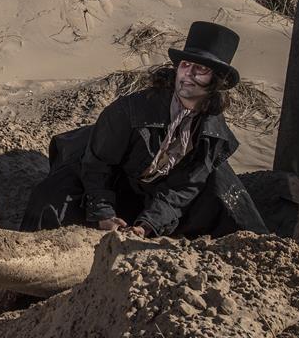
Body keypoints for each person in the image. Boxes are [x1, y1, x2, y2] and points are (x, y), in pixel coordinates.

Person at [21, 21, 267, 238]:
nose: (188, 75)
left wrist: (148, 225)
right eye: (185, 65)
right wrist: (104, 214)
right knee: (50, 199)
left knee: (226, 195)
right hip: (98, 176)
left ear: (217, 81)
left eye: (200, 69)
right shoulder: (131, 110)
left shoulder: (213, 134)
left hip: (150, 192)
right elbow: (97, 166)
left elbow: (183, 188)